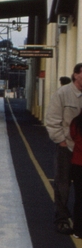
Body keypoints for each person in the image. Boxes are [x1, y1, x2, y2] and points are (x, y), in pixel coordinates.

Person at [45, 63, 82, 235]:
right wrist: (61, 141)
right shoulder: (63, 94)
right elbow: (52, 120)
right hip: (66, 148)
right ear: (75, 75)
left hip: (81, 150)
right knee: (63, 184)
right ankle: (61, 219)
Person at [69, 113, 82, 238]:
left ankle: (78, 230)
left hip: (78, 163)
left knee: (79, 198)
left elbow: (72, 136)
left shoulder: (76, 122)